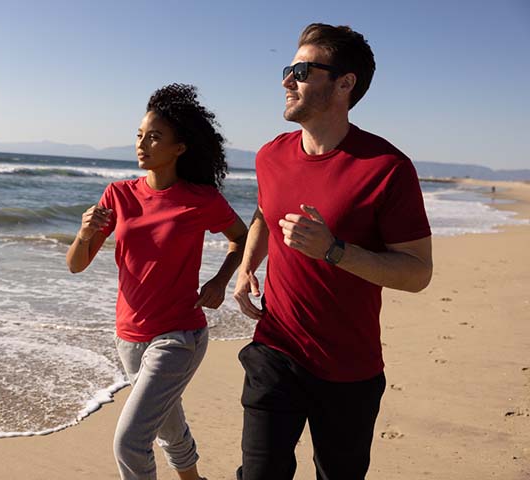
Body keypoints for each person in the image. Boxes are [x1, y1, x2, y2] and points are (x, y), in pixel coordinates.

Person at [233, 23, 433, 479]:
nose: (287, 81)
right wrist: (246, 267)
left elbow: (418, 273)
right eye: (288, 69)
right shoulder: (270, 155)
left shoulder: (387, 168)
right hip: (275, 349)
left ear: (345, 84)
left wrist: (335, 251)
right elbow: (265, 213)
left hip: (349, 369)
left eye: (301, 70)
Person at [67, 83, 248, 480]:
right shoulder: (118, 195)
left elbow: (242, 236)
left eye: (154, 136)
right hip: (128, 336)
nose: (142, 143)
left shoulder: (200, 199)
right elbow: (76, 265)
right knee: (167, 424)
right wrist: (83, 233)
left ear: (179, 147)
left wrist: (220, 281)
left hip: (179, 335)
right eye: (139, 135)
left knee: (130, 440)